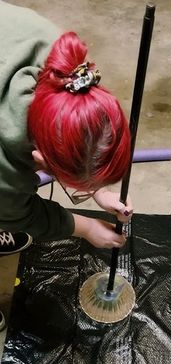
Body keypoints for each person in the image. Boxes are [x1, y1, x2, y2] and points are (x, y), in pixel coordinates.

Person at [0, 1, 133, 255]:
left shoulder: (65, 63)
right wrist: (86, 228)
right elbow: (17, 214)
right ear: (38, 157)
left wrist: (97, 188)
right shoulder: (5, 176)